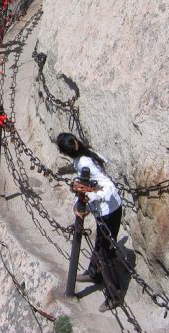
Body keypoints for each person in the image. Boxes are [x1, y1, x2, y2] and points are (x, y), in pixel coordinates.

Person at [56, 132, 123, 313]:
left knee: (106, 254)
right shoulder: (86, 154)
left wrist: (92, 195)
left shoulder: (84, 162)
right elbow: (104, 163)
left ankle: (114, 295)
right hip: (110, 209)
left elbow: (108, 186)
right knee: (101, 244)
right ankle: (93, 273)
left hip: (109, 211)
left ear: (64, 152)